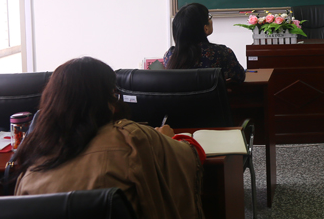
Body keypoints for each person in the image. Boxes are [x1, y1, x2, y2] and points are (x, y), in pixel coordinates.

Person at [13, 57, 206, 219]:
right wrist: (167, 139)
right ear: (106, 99)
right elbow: (194, 155)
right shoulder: (132, 139)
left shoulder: (30, 165)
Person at [164, 2, 246, 83]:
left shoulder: (170, 56)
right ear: (205, 28)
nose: (211, 20)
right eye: (209, 17)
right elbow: (240, 76)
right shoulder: (222, 53)